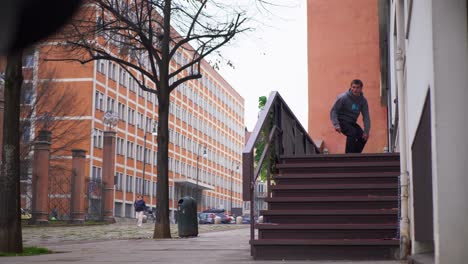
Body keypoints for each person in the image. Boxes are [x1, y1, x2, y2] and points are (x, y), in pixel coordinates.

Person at [330, 79, 370, 153]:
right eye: (353, 87)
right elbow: (334, 111)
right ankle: (348, 156)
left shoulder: (363, 101)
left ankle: (355, 156)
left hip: (352, 122)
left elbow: (366, 116)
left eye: (357, 88)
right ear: (351, 87)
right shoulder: (343, 98)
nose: (355, 90)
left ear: (361, 89)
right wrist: (336, 124)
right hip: (342, 121)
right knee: (352, 133)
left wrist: (366, 131)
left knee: (364, 137)